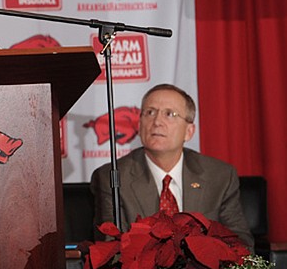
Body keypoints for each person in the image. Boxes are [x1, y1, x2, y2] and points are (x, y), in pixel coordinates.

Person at [90, 83, 254, 248]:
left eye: (169, 114)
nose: (157, 122)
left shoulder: (219, 176)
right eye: (150, 112)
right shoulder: (112, 177)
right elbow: (110, 249)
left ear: (189, 131)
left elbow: (240, 244)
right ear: (139, 126)